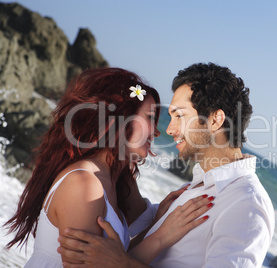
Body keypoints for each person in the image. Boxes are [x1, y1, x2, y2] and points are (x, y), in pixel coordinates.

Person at [58, 63, 275, 267]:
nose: (169, 130)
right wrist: (154, 218)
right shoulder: (196, 187)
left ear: (216, 120)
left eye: (179, 115)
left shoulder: (247, 204)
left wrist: (123, 264)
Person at [4, 67, 214, 267]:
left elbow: (112, 258)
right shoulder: (84, 184)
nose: (157, 132)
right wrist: (160, 237)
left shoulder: (115, 177)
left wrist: (157, 223)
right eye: (150, 118)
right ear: (121, 119)